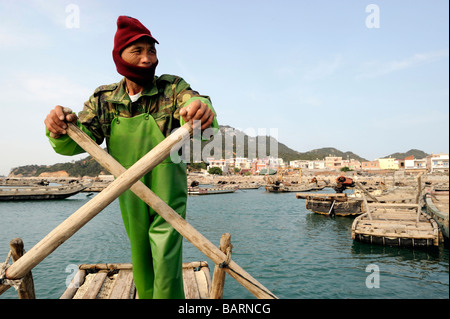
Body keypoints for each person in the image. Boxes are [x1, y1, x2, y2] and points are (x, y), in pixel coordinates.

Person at [44, 15, 218, 299]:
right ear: (119, 56)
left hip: (168, 187)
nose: (148, 59)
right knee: (140, 253)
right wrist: (58, 128)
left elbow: (195, 101)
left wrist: (201, 107)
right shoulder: (104, 99)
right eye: (138, 51)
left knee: (165, 254)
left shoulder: (171, 88)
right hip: (128, 188)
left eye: (152, 51)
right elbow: (77, 141)